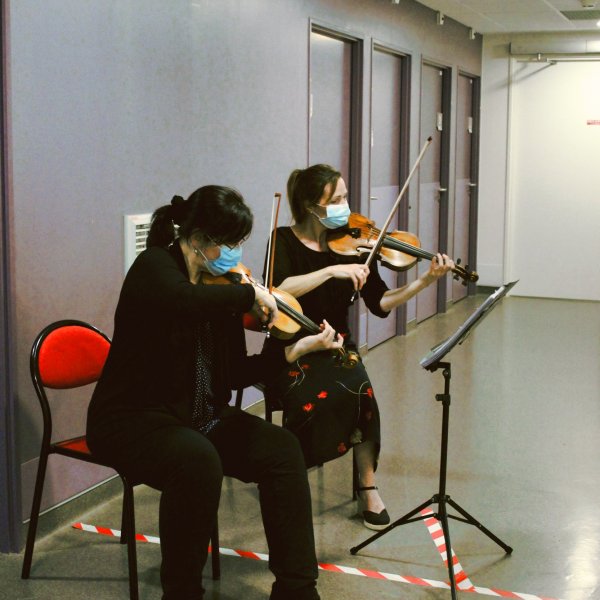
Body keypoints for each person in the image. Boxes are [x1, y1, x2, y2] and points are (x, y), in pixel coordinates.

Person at [86, 185, 343, 600]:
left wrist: (296, 349)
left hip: (196, 416)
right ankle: (182, 592)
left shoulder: (218, 287)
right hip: (132, 420)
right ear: (201, 238)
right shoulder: (155, 267)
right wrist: (248, 293)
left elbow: (235, 373)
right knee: (197, 460)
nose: (236, 255)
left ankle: (297, 588)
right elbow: (182, 300)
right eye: (231, 243)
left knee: (281, 448)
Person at [261, 164, 454, 531]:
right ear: (309, 205)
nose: (345, 206)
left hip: (337, 347)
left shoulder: (354, 244)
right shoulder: (282, 240)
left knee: (361, 390)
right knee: (310, 400)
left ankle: (368, 485)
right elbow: (276, 293)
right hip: (292, 345)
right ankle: (293, 478)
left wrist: (425, 281)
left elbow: (380, 303)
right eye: (335, 200)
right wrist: (330, 272)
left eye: (345, 197)